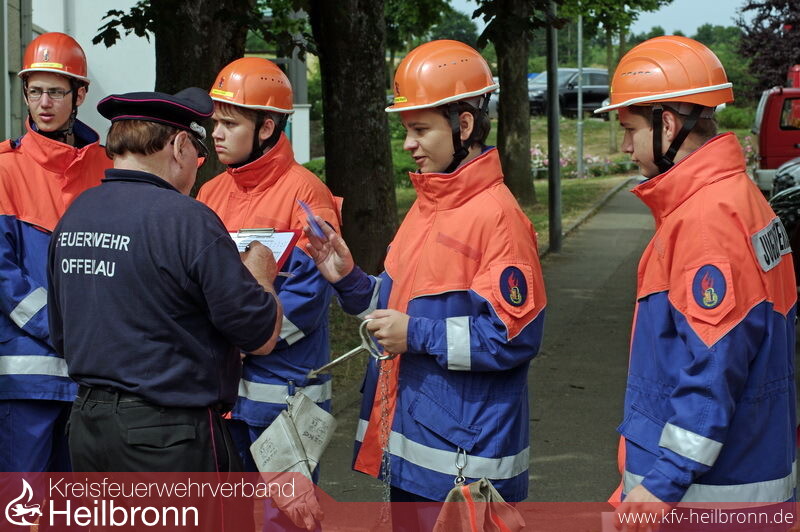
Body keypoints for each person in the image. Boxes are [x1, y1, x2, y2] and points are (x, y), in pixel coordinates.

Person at [304, 39, 547, 528]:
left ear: (464, 125)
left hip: (466, 465)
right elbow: (395, 308)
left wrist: (415, 334)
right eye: (406, 131)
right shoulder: (426, 205)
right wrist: (348, 279)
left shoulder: (498, 217)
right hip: (416, 450)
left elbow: (513, 339)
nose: (408, 144)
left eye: (420, 130)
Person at [593, 36, 797, 517]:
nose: (626, 147)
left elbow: (713, 370)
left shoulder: (706, 220)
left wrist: (661, 484)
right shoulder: (739, 199)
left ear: (666, 125)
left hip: (706, 499)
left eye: (630, 129)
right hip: (747, 472)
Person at [46, 87, 283, 474]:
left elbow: (61, 334)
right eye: (197, 155)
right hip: (169, 436)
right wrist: (260, 274)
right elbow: (259, 333)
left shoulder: (75, 215)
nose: (197, 167)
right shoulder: (187, 219)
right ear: (179, 145)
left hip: (88, 429)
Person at [196, 57, 341, 531]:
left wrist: (239, 338)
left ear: (266, 127)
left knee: (289, 522)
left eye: (229, 123)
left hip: (285, 397)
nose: (216, 133)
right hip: (225, 398)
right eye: (215, 122)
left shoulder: (308, 195)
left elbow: (308, 299)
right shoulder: (210, 194)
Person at [0, 32, 110, 475]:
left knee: (80, 504)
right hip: (27, 377)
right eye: (35, 91)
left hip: (96, 376)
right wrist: (62, 329)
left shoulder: (110, 168)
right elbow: (4, 276)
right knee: (21, 503)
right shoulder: (4, 169)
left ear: (79, 95)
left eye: (56, 92)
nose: (43, 103)